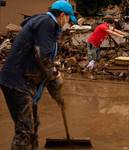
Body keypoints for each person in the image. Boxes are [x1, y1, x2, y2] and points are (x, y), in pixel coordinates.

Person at [0, 1, 77, 149]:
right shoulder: (46, 23)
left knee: (33, 125)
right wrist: (55, 75)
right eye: (68, 19)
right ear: (62, 15)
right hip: (16, 82)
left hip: (25, 82)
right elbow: (42, 57)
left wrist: (56, 95)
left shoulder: (48, 26)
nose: (67, 24)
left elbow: (44, 67)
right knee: (25, 129)